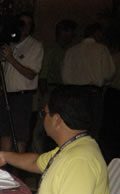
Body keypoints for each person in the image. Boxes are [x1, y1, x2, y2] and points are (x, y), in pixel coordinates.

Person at [0, 12, 43, 153]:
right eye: (22, 22)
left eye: (28, 23)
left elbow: (31, 74)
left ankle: (17, 172)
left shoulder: (35, 46)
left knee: (20, 138)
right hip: (6, 96)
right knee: (4, 135)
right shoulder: (11, 44)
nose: (24, 26)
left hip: (22, 98)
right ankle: (3, 171)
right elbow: (7, 72)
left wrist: (11, 58)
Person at [61, 24, 116, 140]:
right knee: (92, 131)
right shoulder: (101, 49)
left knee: (73, 129)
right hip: (93, 94)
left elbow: (65, 77)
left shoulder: (72, 50)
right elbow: (109, 73)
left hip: (74, 94)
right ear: (97, 33)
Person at [32, 19, 77, 154]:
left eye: (70, 34)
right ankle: (37, 158)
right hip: (51, 90)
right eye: (66, 33)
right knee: (41, 129)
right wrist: (46, 96)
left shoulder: (71, 52)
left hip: (66, 92)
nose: (68, 37)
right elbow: (43, 76)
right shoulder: (51, 51)